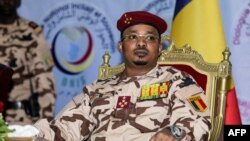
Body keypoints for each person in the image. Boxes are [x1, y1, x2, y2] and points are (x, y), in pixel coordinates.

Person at [34, 11, 211, 141]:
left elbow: (199, 120)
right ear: (121, 46)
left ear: (159, 48)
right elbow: (64, 128)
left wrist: (173, 133)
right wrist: (30, 135)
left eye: (150, 38)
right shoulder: (98, 88)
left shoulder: (177, 81)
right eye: (133, 37)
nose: (141, 42)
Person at [0, 0, 56, 124]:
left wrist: (46, 121)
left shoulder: (31, 31)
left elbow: (44, 76)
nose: (7, 2)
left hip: (20, 118)